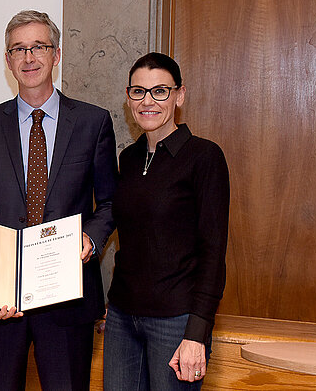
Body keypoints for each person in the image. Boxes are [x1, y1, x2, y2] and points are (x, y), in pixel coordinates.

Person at [0, 10, 118, 390]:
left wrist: (92, 238)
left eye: (38, 47)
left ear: (56, 54)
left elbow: (112, 203)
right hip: (3, 301)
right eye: (18, 49)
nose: (29, 57)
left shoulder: (93, 122)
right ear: (7, 60)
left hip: (68, 297)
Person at [103, 52, 229, 390]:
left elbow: (213, 253)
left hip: (177, 321)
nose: (148, 101)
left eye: (160, 91)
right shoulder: (127, 159)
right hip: (122, 318)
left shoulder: (204, 157)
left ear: (179, 95)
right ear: (128, 97)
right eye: (138, 91)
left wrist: (197, 334)